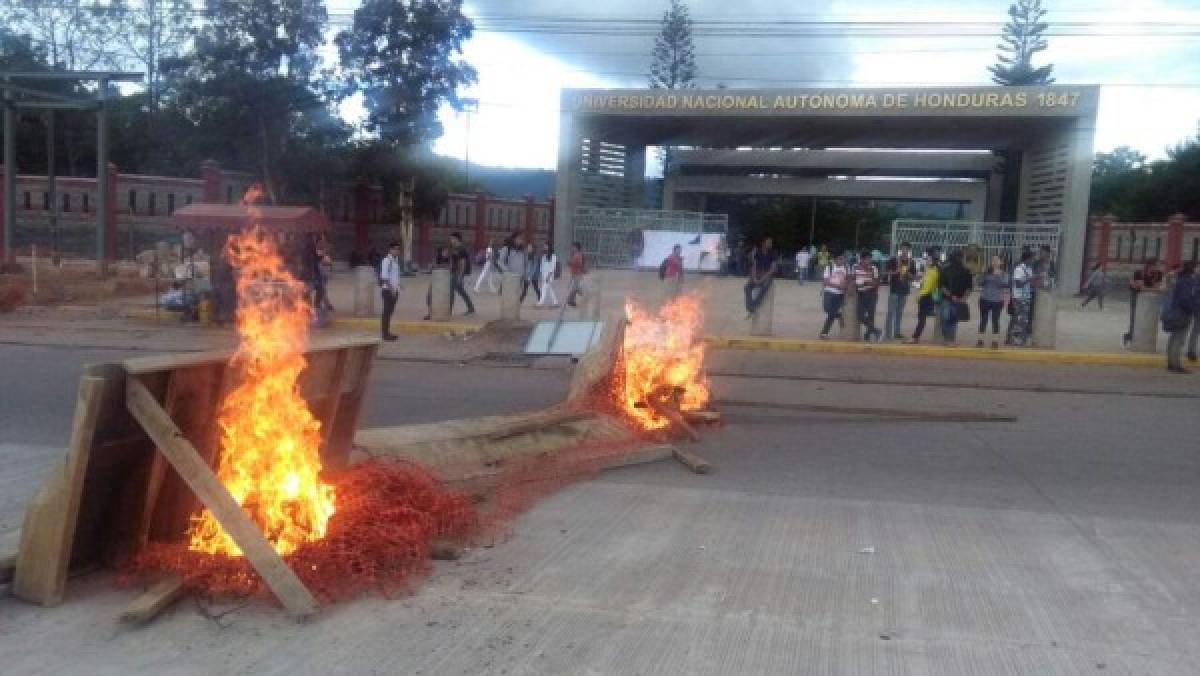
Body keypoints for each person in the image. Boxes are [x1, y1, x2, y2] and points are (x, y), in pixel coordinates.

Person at [1122, 258, 1165, 349]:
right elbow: (1141, 288)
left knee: (1147, 318)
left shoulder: (1159, 274)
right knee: (1134, 318)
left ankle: (1139, 338)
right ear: (1150, 265)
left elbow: (1159, 287)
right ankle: (1130, 337)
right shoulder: (1140, 273)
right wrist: (1155, 289)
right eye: (1157, 265)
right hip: (1136, 297)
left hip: (1150, 299)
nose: (1159, 267)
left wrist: (1154, 289)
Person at [1164, 262, 1197, 373]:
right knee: (1179, 339)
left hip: (1176, 311)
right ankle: (1175, 364)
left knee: (1174, 338)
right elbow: (1185, 299)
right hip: (1182, 313)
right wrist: (1193, 309)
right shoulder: (1188, 282)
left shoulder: (1180, 280)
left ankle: (1171, 362)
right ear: (1192, 270)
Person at [883, 242, 916, 341]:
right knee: (890, 312)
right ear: (900, 249)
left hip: (904, 290)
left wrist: (909, 275)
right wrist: (895, 272)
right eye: (903, 248)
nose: (905, 251)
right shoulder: (894, 260)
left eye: (907, 249)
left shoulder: (911, 262)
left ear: (909, 250)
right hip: (894, 289)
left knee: (899, 312)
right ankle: (888, 334)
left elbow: (913, 276)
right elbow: (886, 272)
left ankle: (897, 332)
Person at [939, 250, 972, 346]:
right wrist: (950, 295)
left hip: (958, 299)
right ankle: (947, 339)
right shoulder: (945, 270)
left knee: (953, 319)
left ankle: (950, 340)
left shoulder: (966, 271)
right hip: (947, 299)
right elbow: (941, 285)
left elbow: (969, 287)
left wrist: (964, 298)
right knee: (945, 317)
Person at [908, 249, 940, 344]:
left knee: (922, 318)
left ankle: (915, 337)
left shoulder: (932, 272)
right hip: (929, 296)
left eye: (929, 260)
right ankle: (916, 337)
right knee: (922, 318)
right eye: (927, 259)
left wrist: (919, 295)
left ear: (933, 261)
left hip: (926, 296)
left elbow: (927, 286)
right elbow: (924, 282)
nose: (927, 261)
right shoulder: (931, 270)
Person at [977, 256, 1009, 349]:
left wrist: (997, 275)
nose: (994, 262)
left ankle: (995, 341)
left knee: (995, 320)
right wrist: (983, 274)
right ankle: (980, 340)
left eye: (997, 260)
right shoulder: (987, 272)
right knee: (983, 320)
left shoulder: (1003, 273)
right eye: (993, 260)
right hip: (984, 298)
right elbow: (979, 282)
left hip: (997, 300)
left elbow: (1004, 284)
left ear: (1000, 262)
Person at [1006, 250, 1036, 347]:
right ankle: (1013, 340)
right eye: (1032, 258)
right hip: (1019, 298)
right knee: (1018, 319)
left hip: (1026, 297)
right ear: (1028, 259)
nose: (1033, 260)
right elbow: (1018, 284)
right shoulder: (1019, 269)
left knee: (1023, 320)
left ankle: (1020, 340)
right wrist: (1029, 279)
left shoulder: (1029, 269)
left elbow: (1031, 283)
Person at [818, 250, 849, 339]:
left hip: (840, 294)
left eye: (842, 259)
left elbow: (849, 280)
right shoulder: (830, 267)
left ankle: (824, 333)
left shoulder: (846, 268)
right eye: (840, 259)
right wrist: (837, 285)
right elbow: (826, 281)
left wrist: (845, 286)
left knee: (831, 314)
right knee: (827, 308)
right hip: (829, 292)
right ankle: (839, 316)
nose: (842, 260)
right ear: (835, 259)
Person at [744, 237, 778, 316]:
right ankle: (750, 306)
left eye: (771, 243)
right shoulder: (758, 252)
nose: (770, 244)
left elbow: (772, 269)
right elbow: (754, 266)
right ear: (763, 243)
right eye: (769, 242)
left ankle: (755, 304)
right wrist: (754, 277)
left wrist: (762, 279)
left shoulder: (773, 253)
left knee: (764, 286)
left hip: (767, 274)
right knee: (747, 287)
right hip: (758, 273)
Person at [854, 248, 882, 342]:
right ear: (861, 259)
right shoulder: (855, 267)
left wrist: (865, 283)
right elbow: (852, 280)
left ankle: (868, 335)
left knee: (871, 315)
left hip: (871, 293)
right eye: (867, 259)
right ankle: (877, 331)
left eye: (870, 259)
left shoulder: (873, 268)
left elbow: (876, 282)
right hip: (860, 294)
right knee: (860, 315)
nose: (869, 261)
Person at [379, 241, 403, 341]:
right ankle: (385, 334)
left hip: (394, 290)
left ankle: (387, 332)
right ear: (390, 250)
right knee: (387, 312)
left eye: (398, 249)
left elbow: (394, 276)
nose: (397, 251)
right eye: (395, 249)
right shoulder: (386, 261)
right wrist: (392, 289)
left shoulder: (395, 260)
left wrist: (399, 285)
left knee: (390, 312)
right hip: (388, 290)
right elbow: (384, 277)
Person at [448, 233, 475, 316]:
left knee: (451, 290)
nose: (451, 240)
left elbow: (463, 263)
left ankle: (449, 309)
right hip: (454, 271)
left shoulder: (461, 249)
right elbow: (453, 260)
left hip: (459, 272)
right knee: (460, 290)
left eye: (452, 239)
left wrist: (460, 276)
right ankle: (470, 307)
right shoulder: (454, 248)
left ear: (457, 239)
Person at [423, 246, 451, 320]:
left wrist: (438, 266)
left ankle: (443, 313)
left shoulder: (449, 260)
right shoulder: (436, 259)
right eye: (445, 251)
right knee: (429, 296)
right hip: (435, 281)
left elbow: (449, 268)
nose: (446, 253)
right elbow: (431, 267)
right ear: (441, 252)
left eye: (447, 252)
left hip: (444, 283)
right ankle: (430, 313)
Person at [566, 242, 587, 307]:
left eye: (573, 247)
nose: (572, 248)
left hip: (577, 273)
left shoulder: (578, 255)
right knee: (575, 287)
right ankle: (571, 301)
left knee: (575, 287)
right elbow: (570, 262)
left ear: (576, 248)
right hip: (574, 273)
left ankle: (585, 295)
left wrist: (571, 262)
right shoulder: (574, 254)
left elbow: (579, 263)